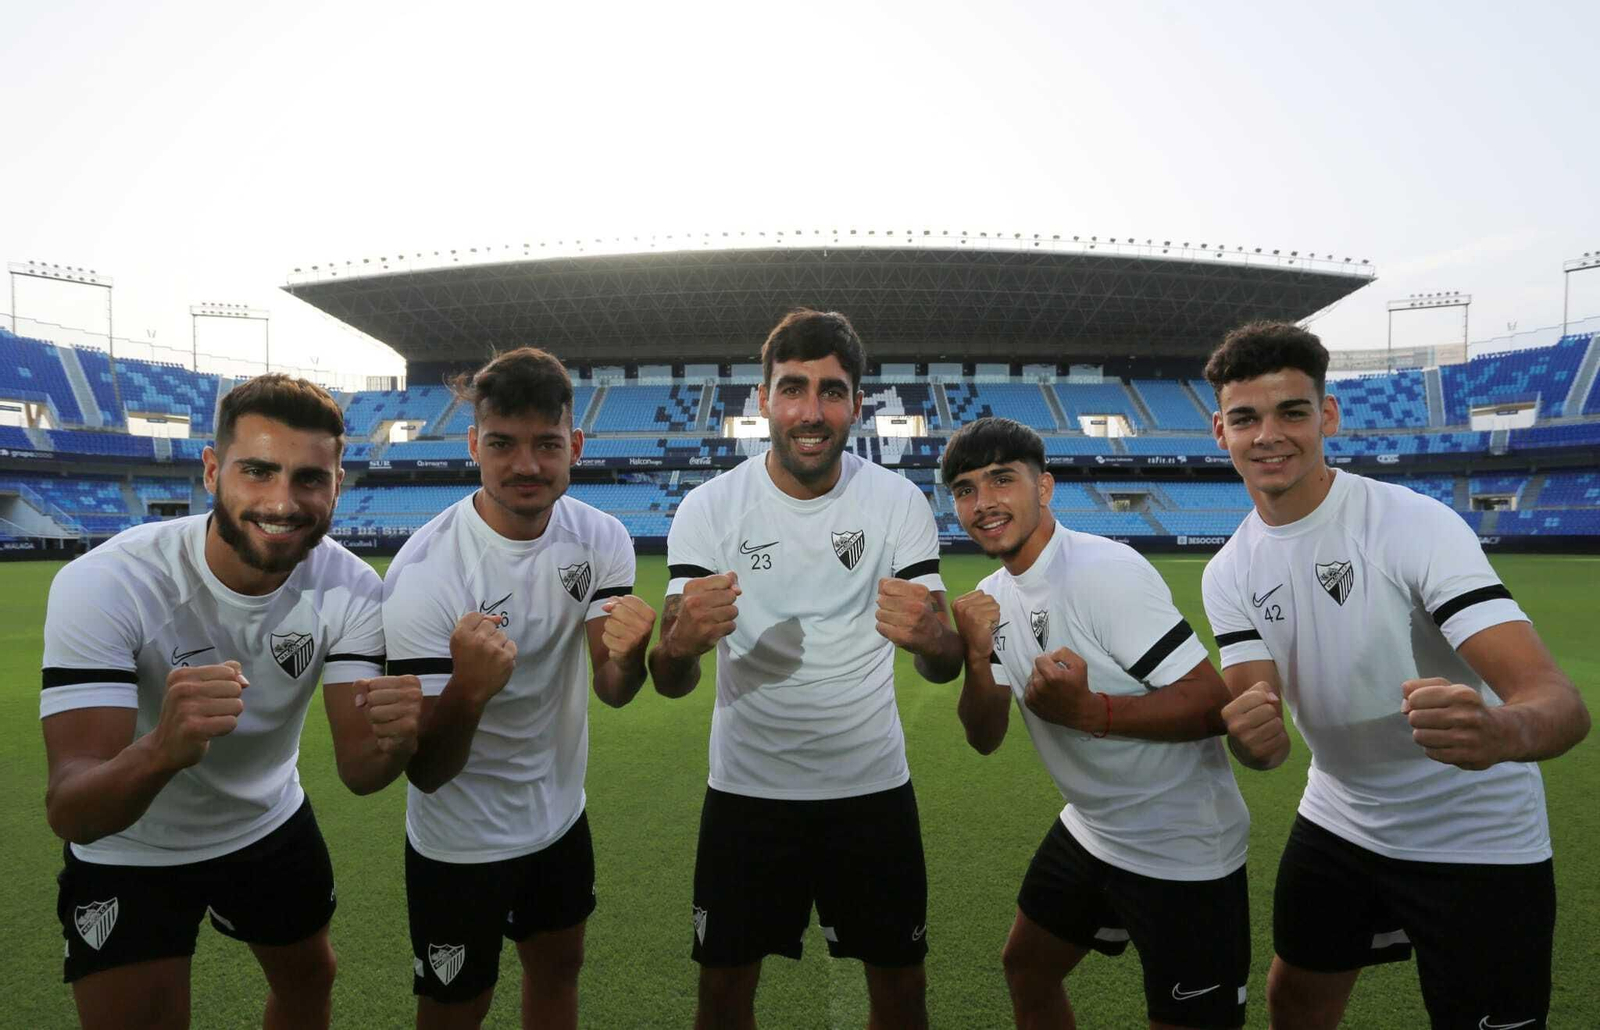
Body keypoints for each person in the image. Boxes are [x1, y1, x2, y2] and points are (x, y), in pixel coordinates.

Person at [1200, 320, 1591, 1030]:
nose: (1269, 435)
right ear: (1218, 431)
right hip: (1341, 813)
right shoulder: (1228, 571)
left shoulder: (1413, 525)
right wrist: (1249, 736)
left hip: (1475, 829)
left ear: (1328, 415)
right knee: (1294, 1000)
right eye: (1245, 418)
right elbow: (1266, 743)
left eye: (1292, 411)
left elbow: (1560, 703)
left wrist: (1501, 729)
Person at [41, 374, 420, 1030]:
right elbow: (73, 810)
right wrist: (161, 750)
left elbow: (361, 773)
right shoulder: (106, 584)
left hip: (266, 820)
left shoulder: (354, 589)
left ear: (338, 485)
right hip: (133, 847)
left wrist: (404, 734)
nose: (282, 501)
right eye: (258, 471)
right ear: (212, 470)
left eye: (309, 478)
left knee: (311, 978)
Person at [648, 308, 965, 1030]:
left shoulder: (896, 501)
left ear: (857, 402)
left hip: (872, 790)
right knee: (723, 997)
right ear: (763, 400)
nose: (811, 412)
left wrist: (933, 639)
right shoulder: (709, 508)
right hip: (747, 793)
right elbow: (670, 676)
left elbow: (944, 664)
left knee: (902, 992)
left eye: (831, 391)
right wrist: (679, 646)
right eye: (793, 388)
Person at [941, 416, 1251, 1030]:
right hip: (1094, 827)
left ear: (1045, 487)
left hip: (1179, 844)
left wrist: (1092, 712)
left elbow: (1212, 703)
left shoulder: (1102, 572)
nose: (984, 503)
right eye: (966, 489)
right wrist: (977, 659)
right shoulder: (990, 595)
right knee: (1027, 967)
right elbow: (984, 736)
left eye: (1002, 480)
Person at [383, 347, 656, 1030]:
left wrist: (635, 652)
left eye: (547, 444)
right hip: (459, 842)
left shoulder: (602, 538)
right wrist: (469, 693)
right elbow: (428, 772)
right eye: (503, 444)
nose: (527, 465)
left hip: (559, 818)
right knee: (454, 1008)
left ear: (577, 446)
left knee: (558, 975)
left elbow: (614, 688)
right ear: (475, 443)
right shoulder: (424, 572)